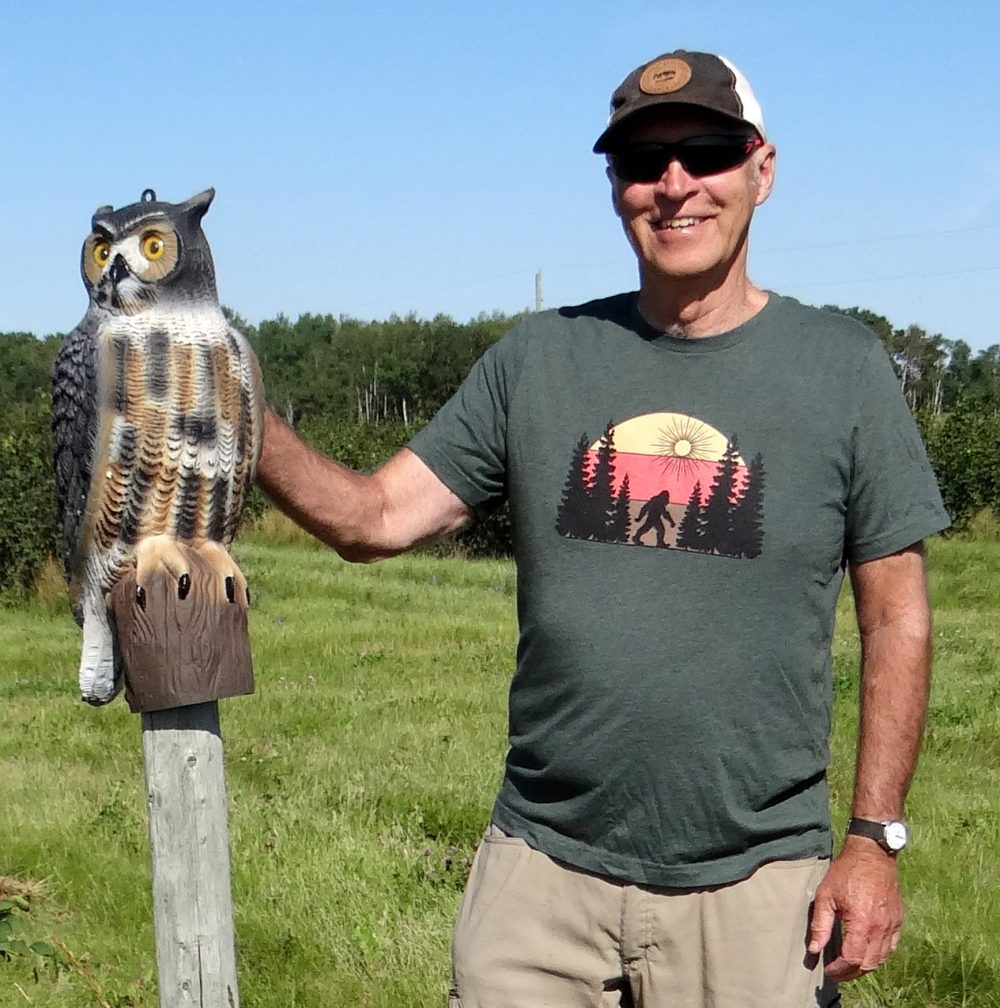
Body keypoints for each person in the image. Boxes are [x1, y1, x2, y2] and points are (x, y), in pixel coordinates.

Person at [257, 49, 949, 1008]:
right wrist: (236, 411)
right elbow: (372, 518)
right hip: (540, 876)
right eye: (639, 164)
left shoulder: (843, 368)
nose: (673, 187)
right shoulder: (539, 359)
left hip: (756, 886)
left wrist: (875, 839)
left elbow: (898, 619)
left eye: (705, 151)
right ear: (613, 186)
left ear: (763, 169)